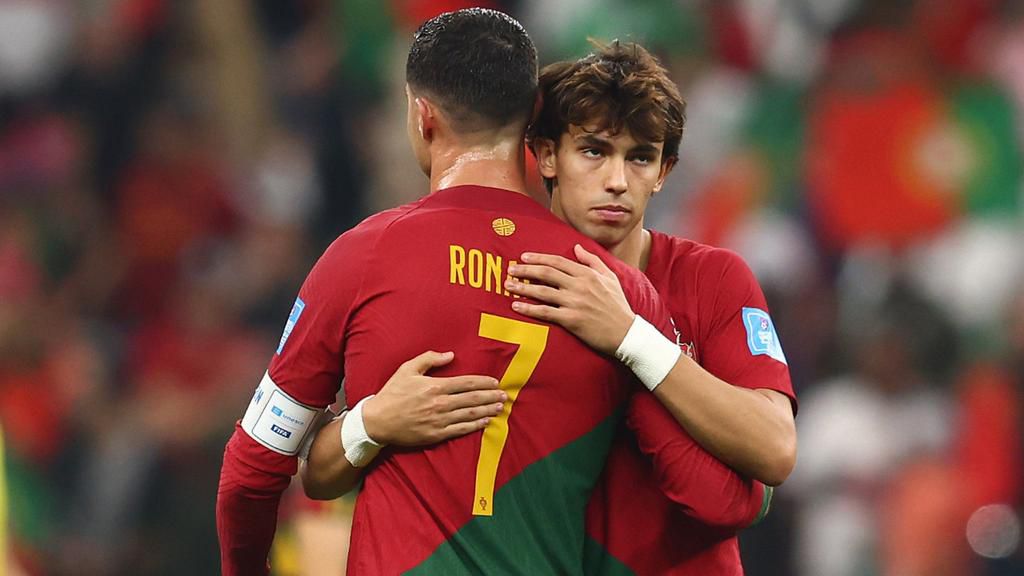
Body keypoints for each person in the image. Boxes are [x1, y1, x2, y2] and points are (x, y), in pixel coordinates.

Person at [216, 10, 679, 576]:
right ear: (534, 118)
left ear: (422, 114)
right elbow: (708, 494)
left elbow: (253, 468)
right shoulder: (622, 295)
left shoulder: (363, 257)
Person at [303, 40, 792, 575]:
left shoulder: (713, 278)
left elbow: (773, 449)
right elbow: (329, 468)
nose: (616, 181)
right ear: (546, 155)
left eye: (640, 158)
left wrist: (631, 338)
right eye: (594, 150)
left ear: (664, 172)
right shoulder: (497, 277)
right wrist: (371, 422)